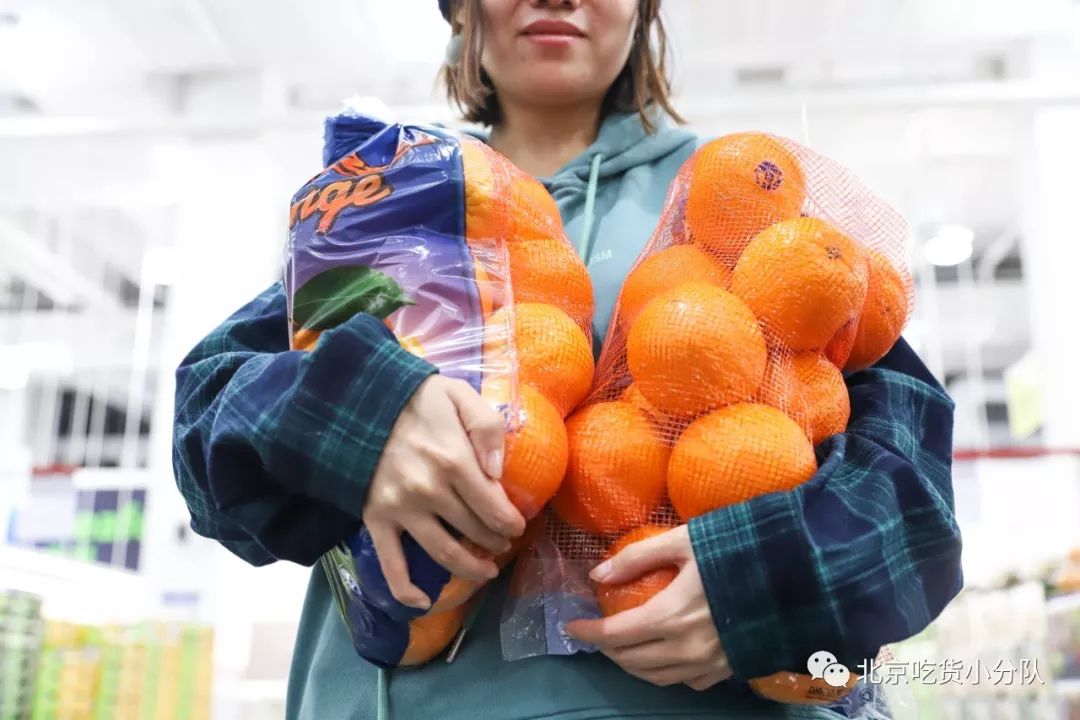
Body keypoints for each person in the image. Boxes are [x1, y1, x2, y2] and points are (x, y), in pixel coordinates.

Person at [172, 1, 963, 718]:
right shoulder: (387, 197)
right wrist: (359, 417)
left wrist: (768, 583)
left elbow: (912, 486)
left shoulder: (741, 203)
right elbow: (207, 418)